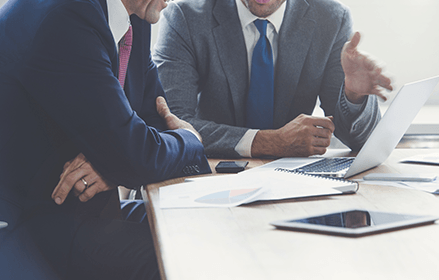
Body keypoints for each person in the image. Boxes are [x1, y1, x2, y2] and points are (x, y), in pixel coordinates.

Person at [0, 0, 210, 278]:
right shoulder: (65, 16)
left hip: (91, 211)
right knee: (188, 255)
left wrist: (116, 160)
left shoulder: (134, 18)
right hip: (37, 223)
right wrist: (191, 139)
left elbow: (153, 122)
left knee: (210, 225)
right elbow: (138, 152)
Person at [153, 0, 393, 159]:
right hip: (210, 177)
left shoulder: (330, 18)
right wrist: (267, 142)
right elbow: (172, 122)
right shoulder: (184, 17)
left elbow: (361, 143)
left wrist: (354, 95)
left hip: (293, 186)